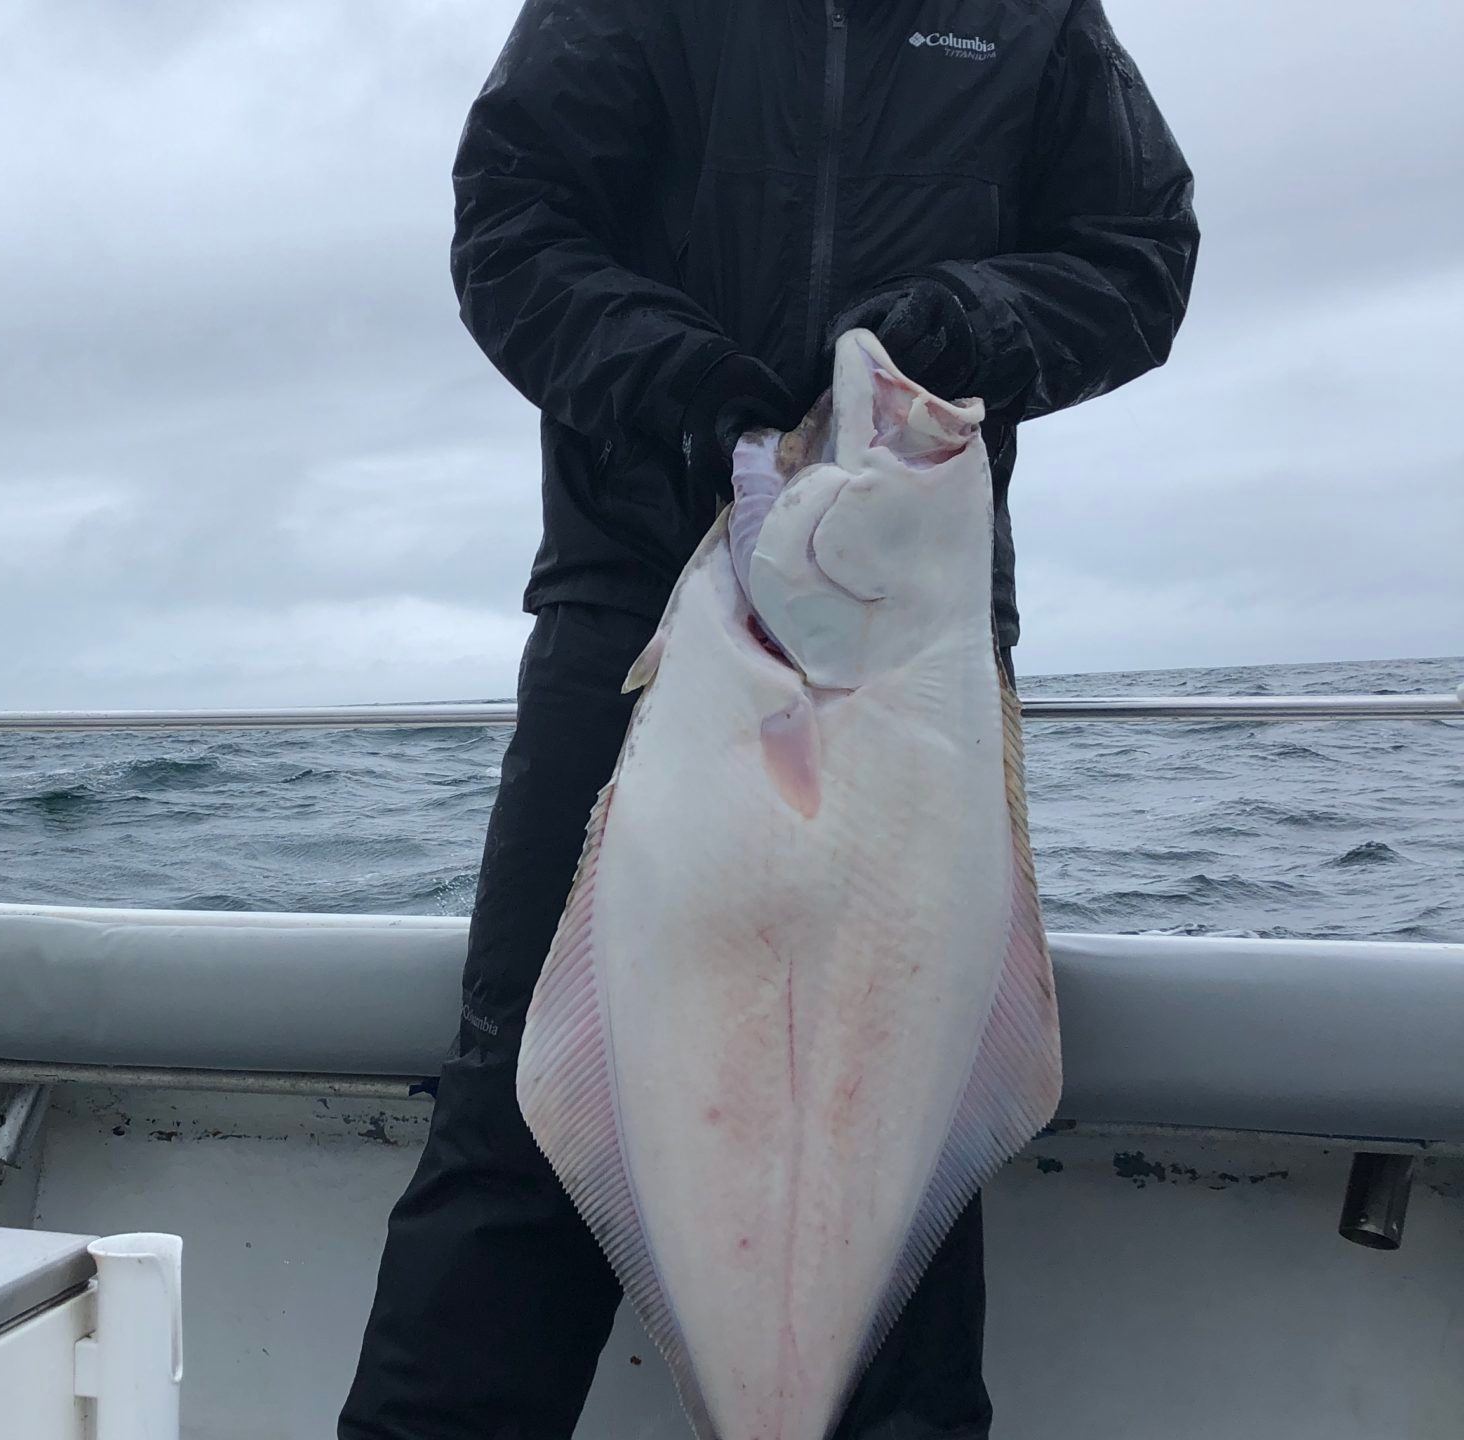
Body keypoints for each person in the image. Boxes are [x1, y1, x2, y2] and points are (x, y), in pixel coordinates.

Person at [339, 2, 1199, 1436]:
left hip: (910, 649)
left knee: (899, 1131)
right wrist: (682, 383)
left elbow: (1139, 256)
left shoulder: (1030, 18)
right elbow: (513, 221)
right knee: (516, 1140)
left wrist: (974, 324)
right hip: (639, 613)